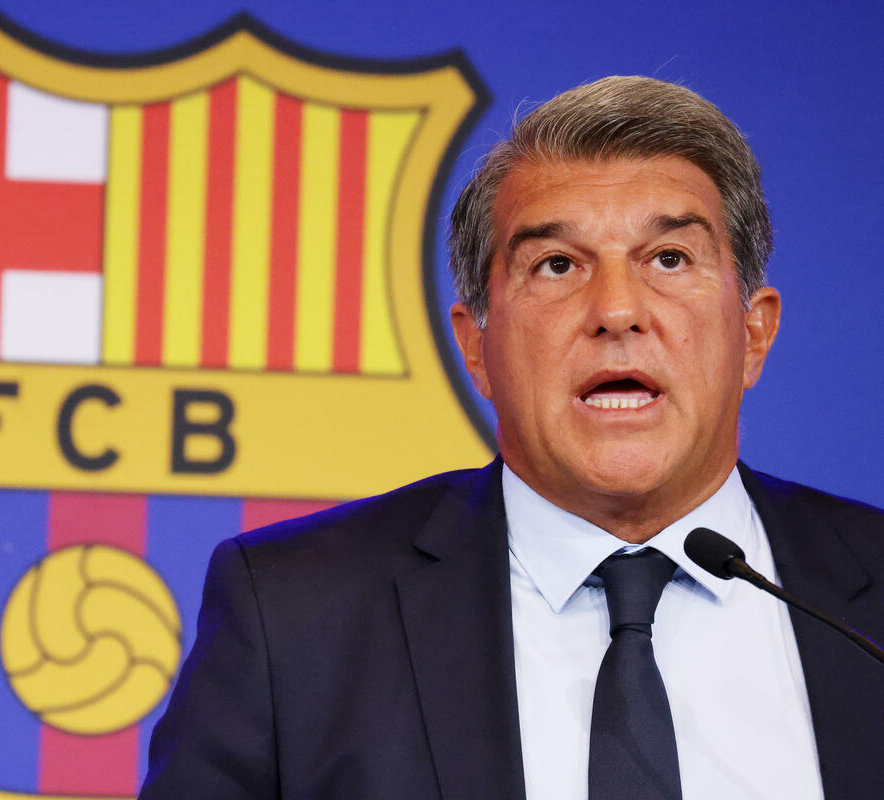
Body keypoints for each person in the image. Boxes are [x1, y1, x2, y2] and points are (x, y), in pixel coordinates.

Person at [139, 76, 884, 800]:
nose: (617, 310)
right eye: (557, 265)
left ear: (754, 333)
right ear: (476, 347)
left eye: (669, 258)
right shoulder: (295, 614)